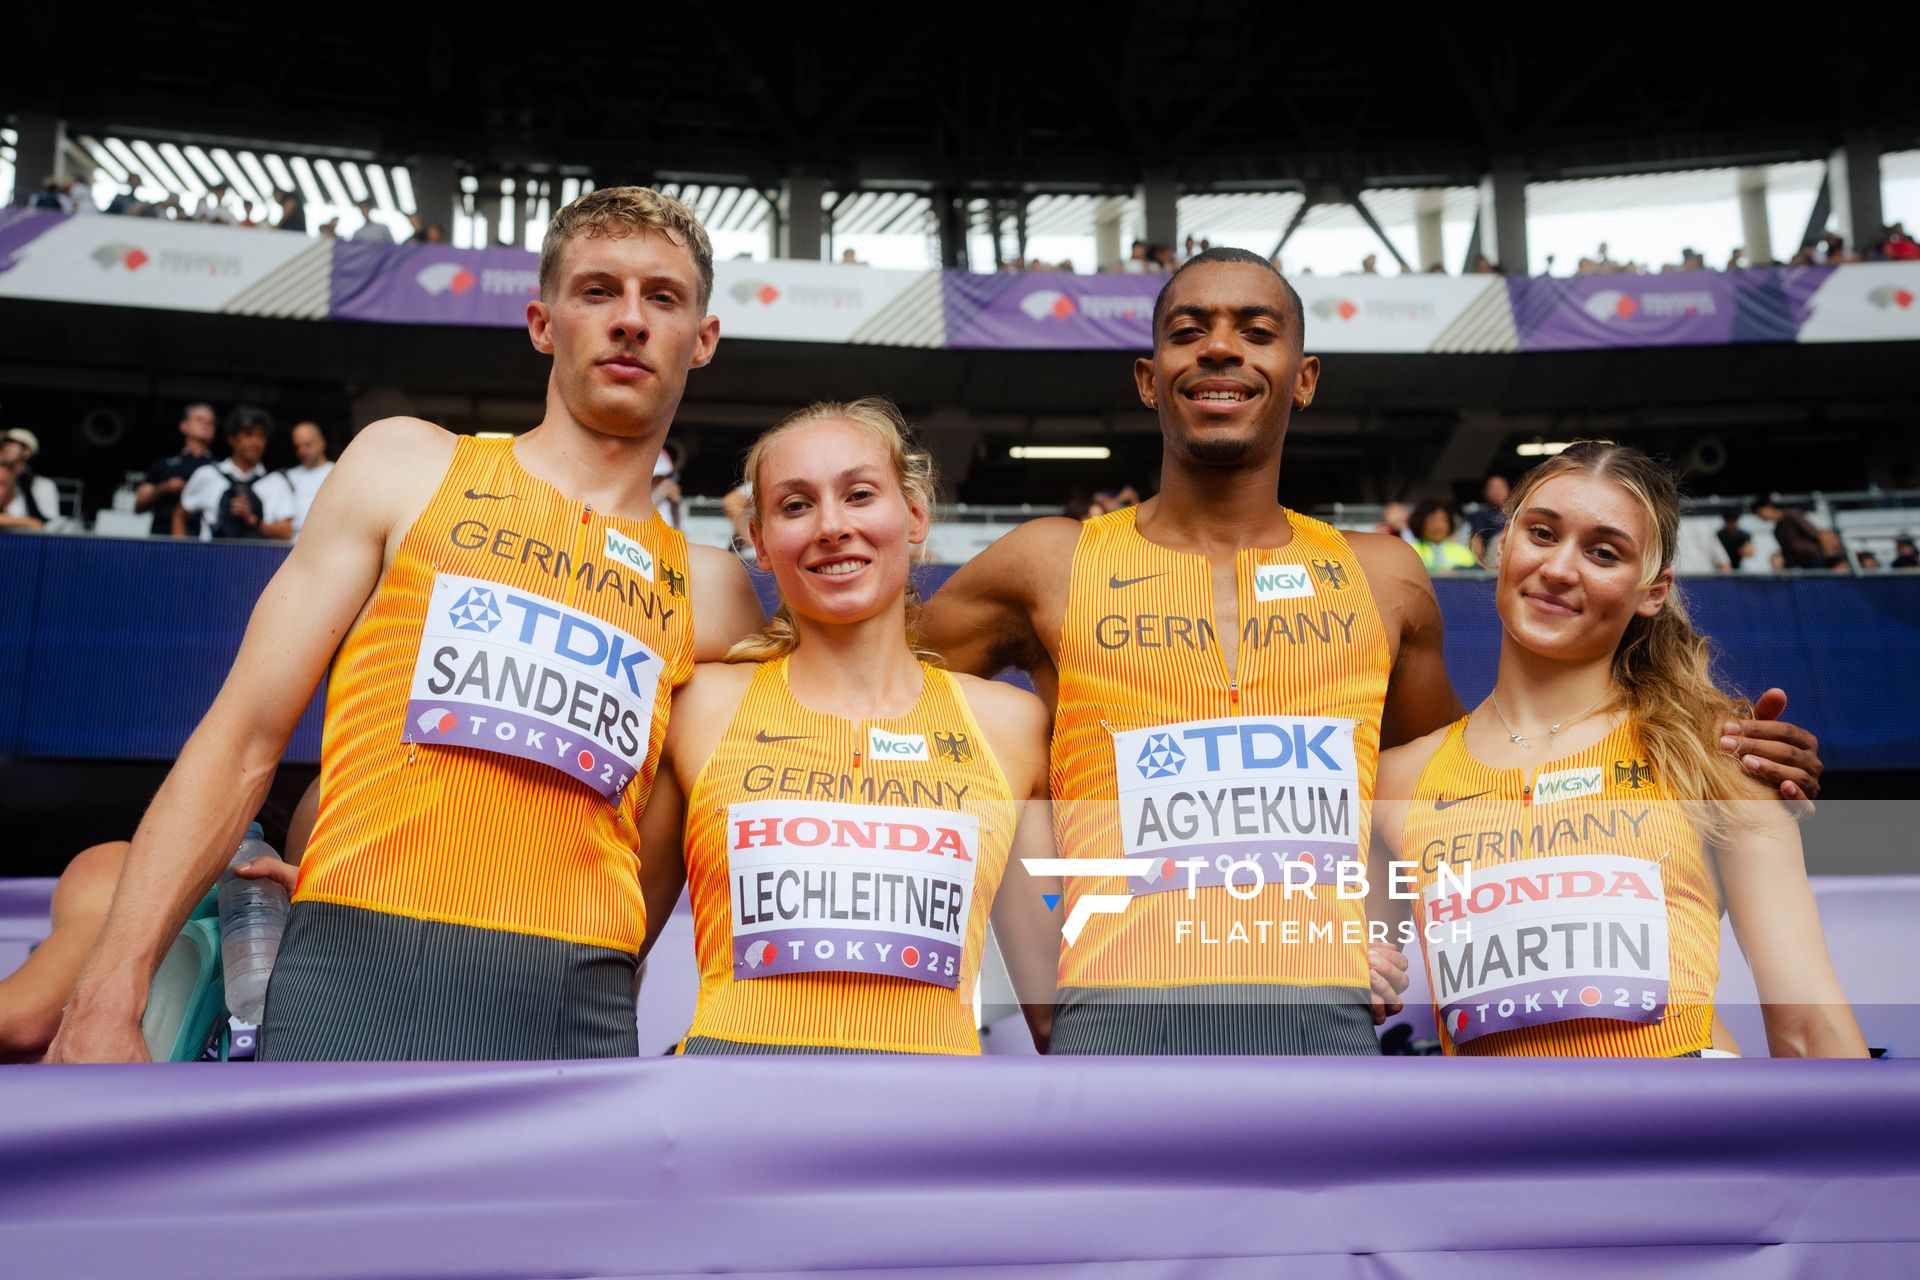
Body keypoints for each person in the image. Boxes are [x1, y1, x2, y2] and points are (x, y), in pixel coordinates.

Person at [918, 247, 1824, 1055]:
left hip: (1328, 1028)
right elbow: (865, 679)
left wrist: (1692, 738)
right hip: (1110, 1023)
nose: (1221, 348)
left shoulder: (1384, 578)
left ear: (1303, 377)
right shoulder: (1046, 562)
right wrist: (1042, 981)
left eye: (1256, 330)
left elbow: (1451, 790)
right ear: (1150, 379)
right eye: (1188, 331)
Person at [47, 186, 766, 1064]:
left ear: (704, 338)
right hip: (348, 977)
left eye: (662, 296)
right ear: (543, 323)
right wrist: (107, 993)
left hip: (575, 1013)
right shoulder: (405, 466)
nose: (629, 320)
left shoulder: (713, 590)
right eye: (596, 291)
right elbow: (241, 737)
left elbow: (663, 840)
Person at [1372, 443, 1866, 1058]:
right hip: (1497, 1145)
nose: (1558, 568)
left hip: (1688, 1137)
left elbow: (1808, 1026)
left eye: (1604, 553)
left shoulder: (1712, 752)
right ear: (1503, 546)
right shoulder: (1397, 781)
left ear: (1652, 592)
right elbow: (1334, 978)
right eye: (1542, 533)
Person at [650, 400, 1059, 1054]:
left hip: (929, 1134)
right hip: (730, 1122)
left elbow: (1056, 1014)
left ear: (915, 516)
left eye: (860, 494)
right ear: (758, 541)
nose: (832, 526)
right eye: (795, 505)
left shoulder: (1009, 725)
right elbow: (619, 949)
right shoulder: (701, 705)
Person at [179, 407, 275, 540]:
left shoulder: (274, 482)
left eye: (261, 436)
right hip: (210, 558)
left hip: (258, 559)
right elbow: (179, 516)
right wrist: (181, 552)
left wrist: (253, 520)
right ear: (231, 438)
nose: (255, 442)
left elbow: (285, 533)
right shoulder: (207, 474)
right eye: (248, 434)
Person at [136, 403, 218, 537]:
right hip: (163, 538)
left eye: (211, 422)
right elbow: (139, 505)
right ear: (184, 426)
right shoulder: (164, 464)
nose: (206, 425)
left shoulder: (220, 468)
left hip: (205, 541)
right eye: (199, 420)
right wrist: (163, 488)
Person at [258, 421, 334, 539]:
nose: (302, 451)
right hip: (293, 546)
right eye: (298, 447)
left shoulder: (337, 472)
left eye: (308, 444)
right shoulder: (286, 477)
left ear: (322, 442)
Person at [1, 429, 63, 529]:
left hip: (26, 542)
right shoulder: (3, 482)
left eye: (12, 443)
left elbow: (48, 526)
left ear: (27, 451)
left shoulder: (43, 486)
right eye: (4, 444)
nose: (5, 447)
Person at [1754, 497, 1824, 570]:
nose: (1760, 517)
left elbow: (1815, 533)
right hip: (1801, 564)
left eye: (1760, 512)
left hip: (1815, 559)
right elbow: (1787, 552)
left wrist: (1826, 554)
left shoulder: (1792, 515)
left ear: (1768, 507)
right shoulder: (1777, 531)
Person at [1409, 498, 1476, 573]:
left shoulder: (1462, 551)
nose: (1438, 526)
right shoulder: (1411, 551)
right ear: (1420, 523)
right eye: (1432, 520)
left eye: (1443, 519)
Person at [1467, 474, 1509, 560]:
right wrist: (1480, 563)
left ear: (1508, 490)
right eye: (1492, 487)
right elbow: (1477, 539)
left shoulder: (1515, 512)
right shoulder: (1481, 513)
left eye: (1501, 487)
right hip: (1493, 558)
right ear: (1485, 492)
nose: (1497, 491)